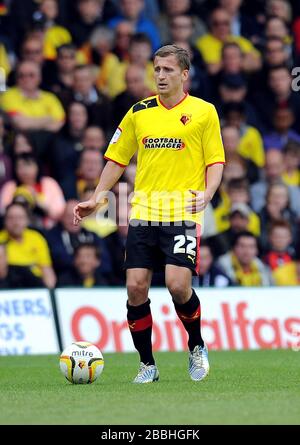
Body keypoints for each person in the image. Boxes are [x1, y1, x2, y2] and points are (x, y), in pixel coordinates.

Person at [73, 45, 225, 383]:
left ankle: (197, 345)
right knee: (136, 288)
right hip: (144, 212)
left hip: (183, 211)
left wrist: (209, 192)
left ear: (184, 74)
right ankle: (147, 364)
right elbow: (117, 159)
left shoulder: (204, 112)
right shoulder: (138, 112)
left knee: (177, 284)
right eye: (157, 69)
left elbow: (215, 160)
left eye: (168, 70)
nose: (160, 75)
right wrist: (98, 198)